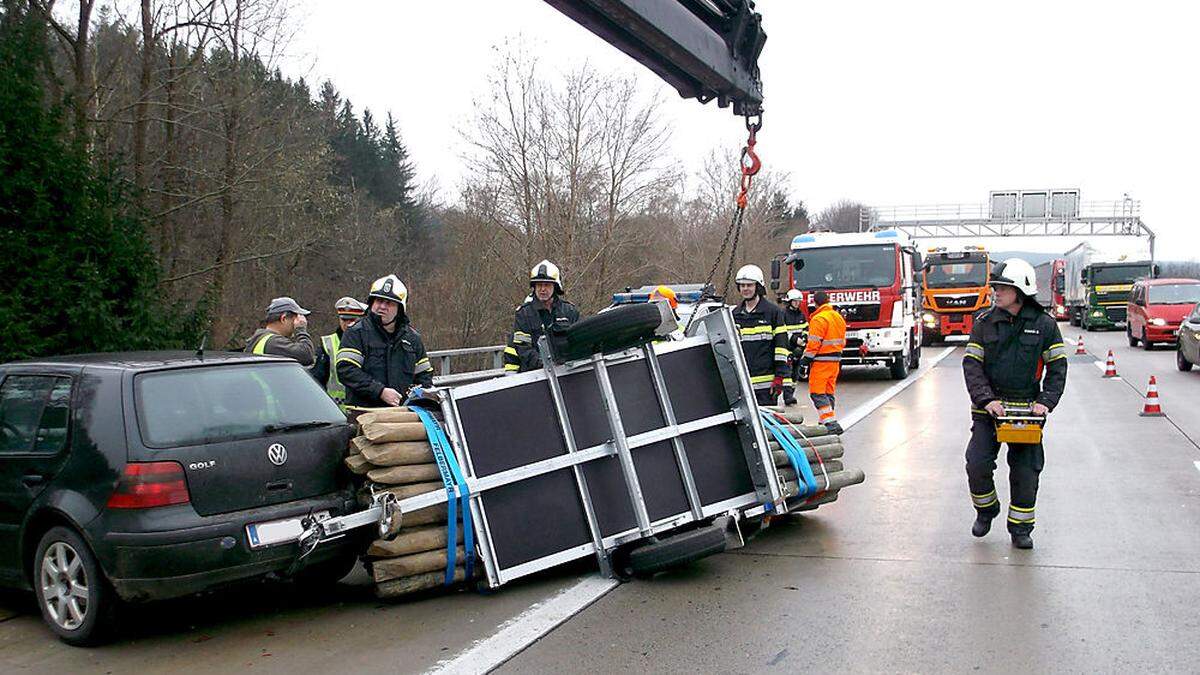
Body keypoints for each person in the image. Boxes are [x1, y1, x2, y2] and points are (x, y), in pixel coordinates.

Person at [963, 257, 1067, 550]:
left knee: (1025, 471)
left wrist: (1045, 402)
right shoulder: (984, 323)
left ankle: (1021, 528)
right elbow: (972, 365)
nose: (995, 292)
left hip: (1027, 412)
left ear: (1020, 291)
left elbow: (1057, 368)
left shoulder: (1044, 325)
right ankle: (986, 510)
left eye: (1001, 287)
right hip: (989, 411)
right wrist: (987, 400)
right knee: (977, 463)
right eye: (995, 287)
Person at [335, 275, 433, 407]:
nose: (382, 306)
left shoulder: (412, 339)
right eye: (379, 301)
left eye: (389, 303)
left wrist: (413, 399)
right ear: (371, 303)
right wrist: (380, 391)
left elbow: (424, 377)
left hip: (403, 414)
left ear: (400, 309)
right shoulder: (356, 333)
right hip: (365, 414)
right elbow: (347, 370)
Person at [503, 260, 581, 373]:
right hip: (535, 376)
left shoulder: (570, 312)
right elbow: (523, 348)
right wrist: (545, 364)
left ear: (556, 287)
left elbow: (578, 343)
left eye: (547, 285)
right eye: (539, 285)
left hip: (568, 374)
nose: (542, 289)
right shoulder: (524, 314)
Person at [732, 264, 790, 407]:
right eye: (742, 285)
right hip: (744, 386)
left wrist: (779, 377)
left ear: (758, 287)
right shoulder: (735, 315)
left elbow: (781, 348)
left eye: (749, 285)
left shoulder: (773, 313)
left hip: (767, 386)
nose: (745, 289)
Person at [797, 290, 847, 434]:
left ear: (815, 303)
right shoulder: (837, 317)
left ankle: (830, 423)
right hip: (835, 361)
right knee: (828, 392)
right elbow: (842, 340)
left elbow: (814, 343)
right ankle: (825, 420)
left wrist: (805, 360)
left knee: (817, 392)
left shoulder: (819, 319)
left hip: (822, 361)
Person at [311, 296, 368, 408]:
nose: (347, 324)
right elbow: (318, 380)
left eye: (352, 320)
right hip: (335, 410)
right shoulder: (327, 344)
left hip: (364, 408)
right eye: (344, 319)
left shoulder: (369, 342)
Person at [244, 297, 316, 366]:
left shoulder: (259, 339)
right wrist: (300, 329)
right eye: (295, 320)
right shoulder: (273, 342)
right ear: (283, 319)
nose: (296, 324)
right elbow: (307, 356)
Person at [780, 288, 809, 406]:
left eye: (798, 301)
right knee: (787, 372)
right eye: (795, 301)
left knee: (795, 373)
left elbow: (806, 328)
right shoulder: (783, 314)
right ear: (789, 301)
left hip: (799, 348)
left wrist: (804, 338)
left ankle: (791, 393)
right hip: (787, 347)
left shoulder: (801, 315)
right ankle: (787, 396)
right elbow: (783, 331)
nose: (797, 303)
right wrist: (795, 340)